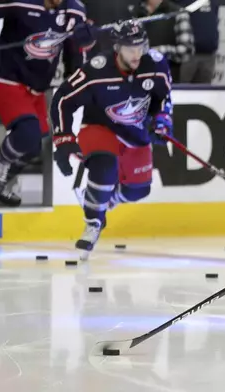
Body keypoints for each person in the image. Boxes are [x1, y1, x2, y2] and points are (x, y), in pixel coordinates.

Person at [50, 20, 173, 261]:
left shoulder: (156, 64)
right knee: (104, 167)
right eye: (130, 48)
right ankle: (93, 222)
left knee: (139, 190)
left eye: (141, 47)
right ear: (117, 48)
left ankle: (102, 201)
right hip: (100, 126)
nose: (137, 54)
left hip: (135, 133)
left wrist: (162, 121)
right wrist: (63, 139)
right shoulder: (96, 70)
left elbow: (164, 99)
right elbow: (63, 99)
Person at [0, 0, 96, 206]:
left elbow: (75, 53)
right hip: (8, 79)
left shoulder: (74, 9)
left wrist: (86, 43)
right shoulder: (23, 3)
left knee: (34, 146)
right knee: (28, 133)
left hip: (37, 88)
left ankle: (3, 180)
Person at [136, 0, 195, 81]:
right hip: (138, 79)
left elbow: (186, 50)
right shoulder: (134, 11)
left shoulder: (177, 12)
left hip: (168, 79)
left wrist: (156, 51)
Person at [176, 0, 218, 84]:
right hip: (187, 56)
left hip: (208, 54)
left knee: (204, 92)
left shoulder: (213, 2)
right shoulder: (180, 2)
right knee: (181, 90)